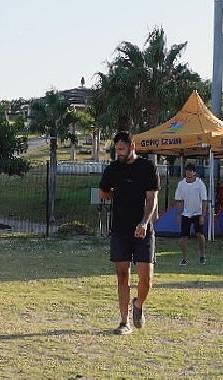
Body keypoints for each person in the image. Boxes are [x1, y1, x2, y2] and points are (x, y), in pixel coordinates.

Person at [99, 131, 159, 335]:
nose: (119, 153)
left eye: (122, 149)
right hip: (120, 229)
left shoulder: (147, 167)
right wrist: (116, 194)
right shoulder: (113, 169)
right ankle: (124, 322)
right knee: (122, 275)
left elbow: (152, 199)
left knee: (146, 279)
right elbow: (104, 192)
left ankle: (139, 303)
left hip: (143, 230)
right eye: (117, 149)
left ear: (132, 146)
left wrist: (144, 222)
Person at [174, 163, 208, 266]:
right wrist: (179, 214)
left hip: (197, 213)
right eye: (187, 170)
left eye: (190, 170)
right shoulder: (181, 184)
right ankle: (184, 258)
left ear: (194, 172)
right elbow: (178, 200)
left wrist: (202, 215)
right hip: (186, 214)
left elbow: (204, 200)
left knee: (199, 235)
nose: (188, 172)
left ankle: (202, 255)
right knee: (184, 237)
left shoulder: (200, 184)